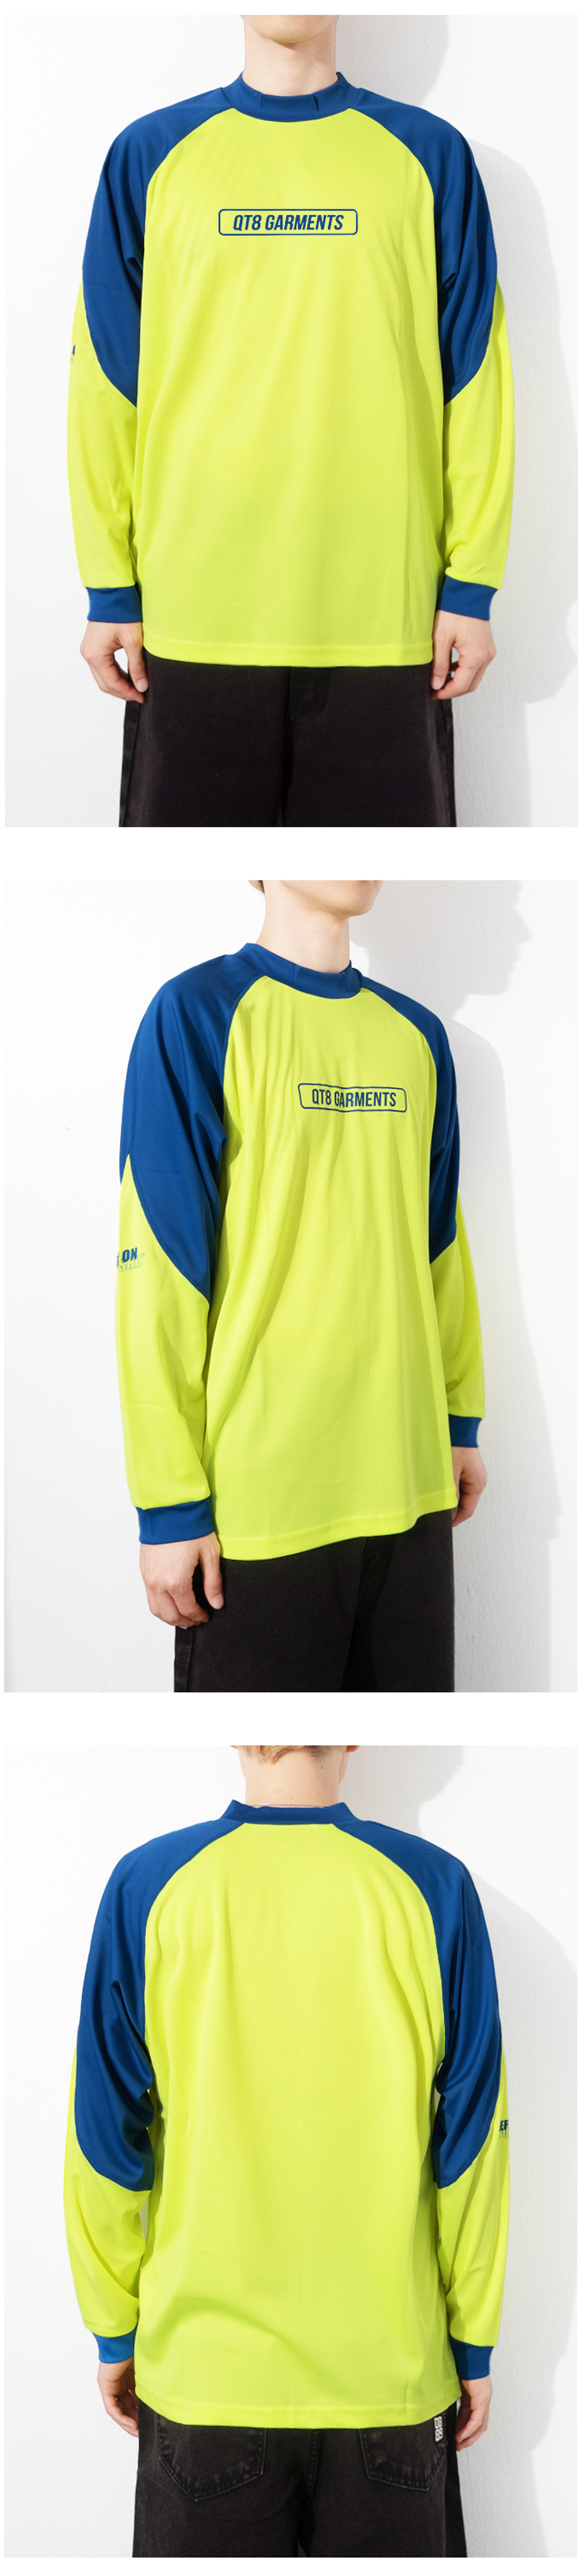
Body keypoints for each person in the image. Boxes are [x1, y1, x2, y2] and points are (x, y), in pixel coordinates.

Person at [64, 1743, 510, 2558]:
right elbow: (474, 2146)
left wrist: (114, 2328)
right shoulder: (435, 1887)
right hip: (388, 2379)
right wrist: (472, 2338)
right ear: (353, 1735)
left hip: (204, 2378)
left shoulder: (148, 1886)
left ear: (233, 1731)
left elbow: (102, 2140)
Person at [68, 15, 514, 828]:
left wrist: (471, 586)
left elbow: (477, 383)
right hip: (190, 616)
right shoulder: (149, 154)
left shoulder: (431, 155)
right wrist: (108, 587)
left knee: (374, 866)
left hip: (387, 617)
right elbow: (106, 385)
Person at [115, 878, 487, 1693]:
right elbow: (161, 1270)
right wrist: (169, 1503)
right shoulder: (197, 1013)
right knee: (273, 1740)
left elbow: (441, 1244)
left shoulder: (418, 1036)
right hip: (261, 1511)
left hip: (413, 1484)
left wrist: (458, 1420)